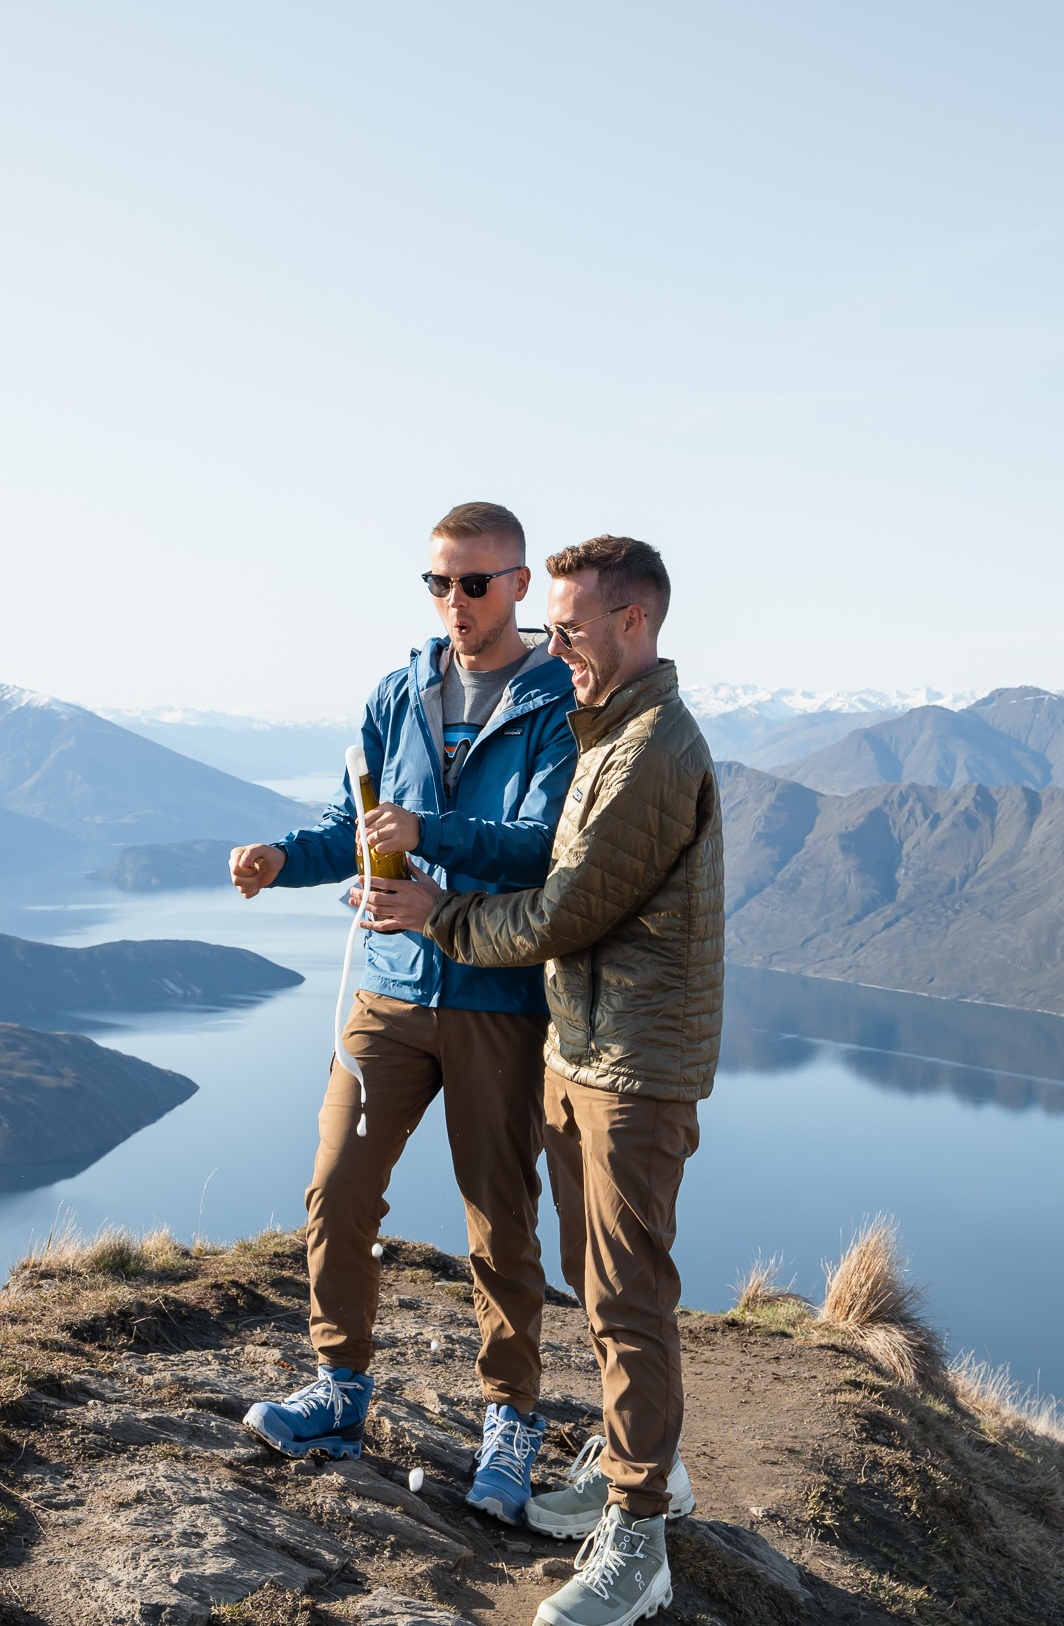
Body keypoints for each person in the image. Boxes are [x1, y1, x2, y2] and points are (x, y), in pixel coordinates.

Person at [361, 534, 722, 1626]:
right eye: (551, 625)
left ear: (633, 623)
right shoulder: (602, 728)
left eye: (567, 627)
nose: (550, 644)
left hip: (632, 1066)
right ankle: (638, 1472)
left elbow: (568, 910)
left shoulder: (653, 746)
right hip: (583, 1047)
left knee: (626, 1296)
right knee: (597, 1277)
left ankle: (640, 1537)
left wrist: (441, 915)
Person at [229, 501, 579, 1526]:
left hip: (494, 993)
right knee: (336, 1186)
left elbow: (540, 845)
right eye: (438, 584)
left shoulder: (558, 700)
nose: (455, 603)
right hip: (387, 985)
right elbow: (356, 824)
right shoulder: (400, 690)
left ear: (519, 585)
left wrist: (427, 830)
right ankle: (338, 1388)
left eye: (475, 583)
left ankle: (510, 1423)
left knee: (498, 1219)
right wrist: (285, 860)